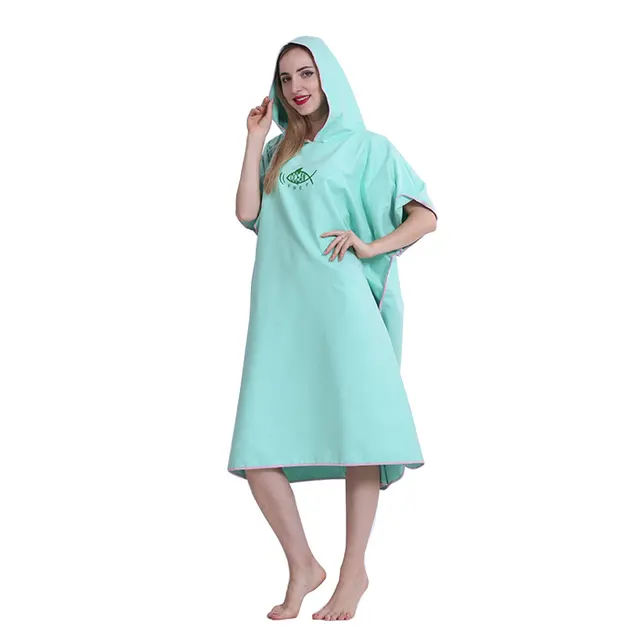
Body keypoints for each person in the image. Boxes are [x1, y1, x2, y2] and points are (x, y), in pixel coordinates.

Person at [229, 35, 438, 622]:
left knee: (359, 439)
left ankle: (353, 572)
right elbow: (247, 213)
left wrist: (371, 245)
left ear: (328, 78)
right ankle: (303, 565)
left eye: (306, 73)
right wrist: (253, 138)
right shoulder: (277, 152)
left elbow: (424, 215)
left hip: (345, 313)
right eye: (286, 77)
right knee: (256, 451)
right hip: (280, 315)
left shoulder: (368, 148)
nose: (296, 87)